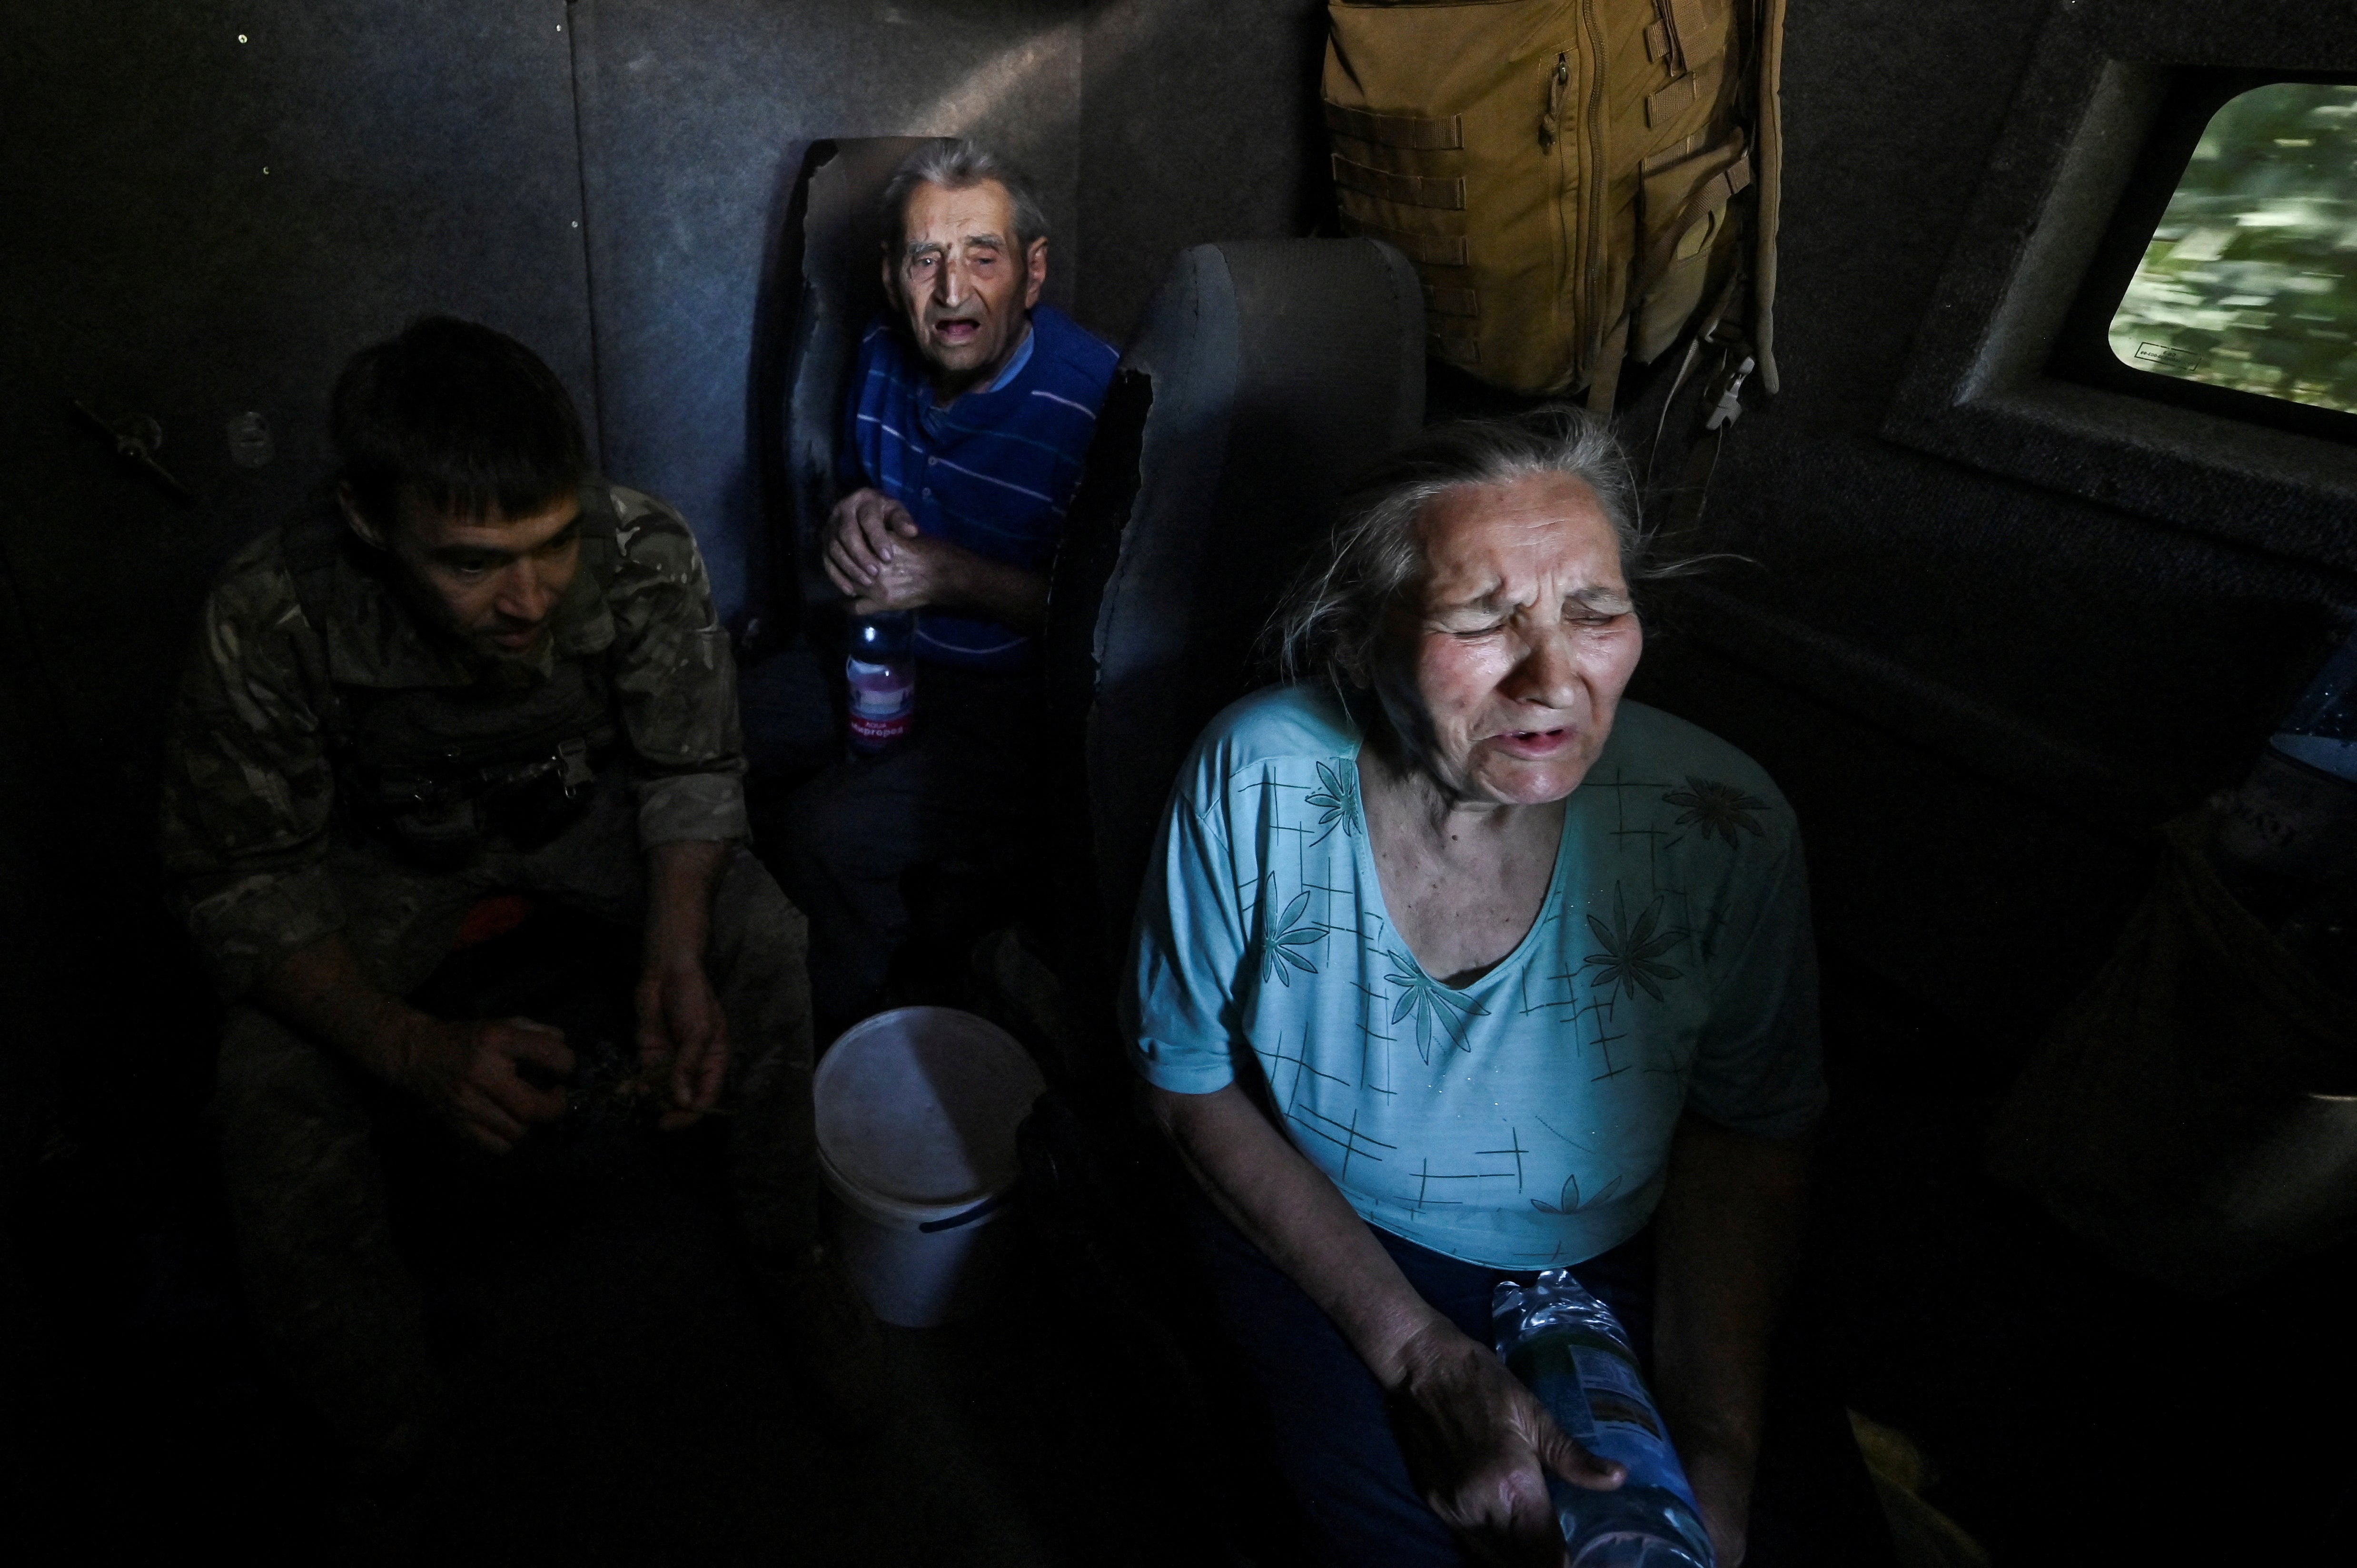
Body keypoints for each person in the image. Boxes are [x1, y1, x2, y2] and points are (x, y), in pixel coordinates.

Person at [158, 316, 860, 1479]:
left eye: (550, 545)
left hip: (586, 813)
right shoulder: (271, 614)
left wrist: (675, 947)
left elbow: (689, 766)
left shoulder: (638, 547)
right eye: (472, 563)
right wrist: (410, 1045)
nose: (529, 598)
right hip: (381, 854)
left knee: (763, 942)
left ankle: (793, 1261)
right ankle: (377, 1427)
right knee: (265, 1083)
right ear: (370, 525)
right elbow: (240, 878)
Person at [1126, 409, 1824, 1567]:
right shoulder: (1254, 777)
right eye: (1482, 619)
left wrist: (1716, 1447)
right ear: (1358, 641)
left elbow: (1748, 1132)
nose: (1553, 676)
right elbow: (1184, 1084)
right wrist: (1417, 1351)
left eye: (1595, 612)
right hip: (1340, 1230)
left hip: (1628, 1242)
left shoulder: (1724, 826)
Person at [783, 138, 1118, 1040]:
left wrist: (954, 575)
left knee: (827, 834)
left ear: (1033, 274)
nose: (952, 289)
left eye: (984, 254)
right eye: (925, 258)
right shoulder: (879, 354)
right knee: (740, 725)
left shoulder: (1101, 403)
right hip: (884, 653)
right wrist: (852, 514)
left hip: (1015, 702)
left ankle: (862, 1032)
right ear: (891, 276)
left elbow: (1117, 630)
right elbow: (861, 484)